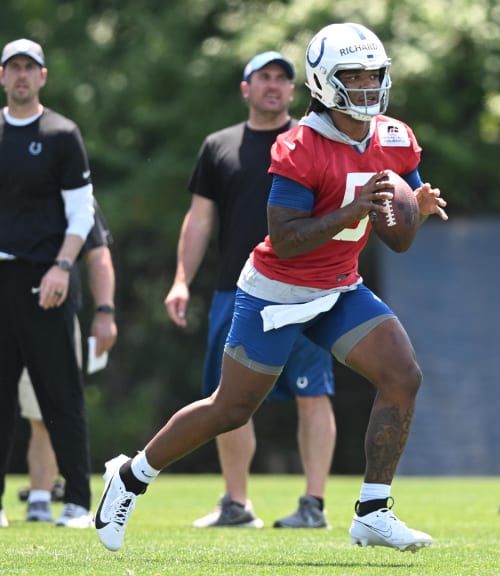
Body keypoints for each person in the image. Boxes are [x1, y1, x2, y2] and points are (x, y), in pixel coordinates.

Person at [95, 22, 447, 553]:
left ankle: (373, 510)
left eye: (375, 76)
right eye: (354, 76)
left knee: (402, 375)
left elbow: (399, 239)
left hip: (339, 288)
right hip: (276, 292)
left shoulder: (395, 137)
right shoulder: (299, 146)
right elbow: (284, 240)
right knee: (230, 409)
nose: (369, 87)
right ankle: (130, 476)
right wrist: (353, 210)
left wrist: (413, 212)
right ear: (325, 83)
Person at [164, 50, 337, 530]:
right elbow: (199, 219)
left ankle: (313, 506)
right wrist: (181, 279)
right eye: (265, 77)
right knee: (228, 398)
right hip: (234, 292)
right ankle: (236, 505)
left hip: (306, 289)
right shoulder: (218, 146)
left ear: (294, 90)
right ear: (246, 87)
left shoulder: (312, 143)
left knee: (313, 393)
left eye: (283, 78)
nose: (275, 85)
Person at [0, 38, 97, 529]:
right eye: (12, 67)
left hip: (46, 279)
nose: (21, 75)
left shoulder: (62, 133)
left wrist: (61, 267)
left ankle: (78, 499)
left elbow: (81, 213)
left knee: (60, 393)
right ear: (2, 76)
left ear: (42, 76)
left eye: (29, 68)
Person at [19, 200, 116, 524]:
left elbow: (98, 254)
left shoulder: (76, 194)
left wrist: (105, 312)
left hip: (53, 315)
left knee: (48, 412)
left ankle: (40, 499)